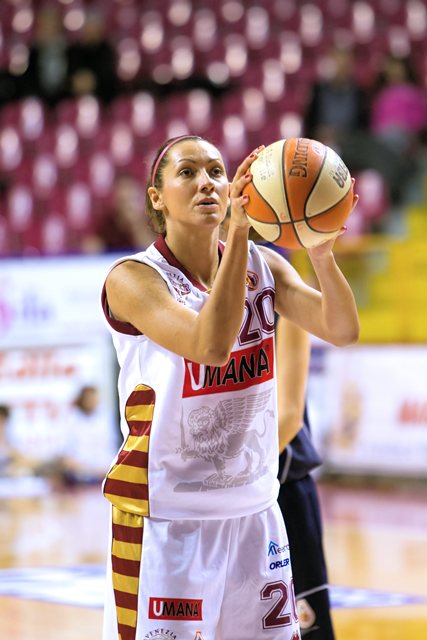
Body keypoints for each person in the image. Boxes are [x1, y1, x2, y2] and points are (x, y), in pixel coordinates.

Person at [101, 134, 359, 640]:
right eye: (188, 173)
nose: (207, 184)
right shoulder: (133, 279)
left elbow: (343, 329)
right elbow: (210, 345)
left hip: (255, 515)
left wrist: (322, 254)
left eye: (217, 172)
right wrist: (239, 234)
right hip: (168, 521)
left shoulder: (268, 267)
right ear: (157, 196)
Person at [276, 317, 336, 639]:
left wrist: (235, 473)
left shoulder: (279, 301)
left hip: (283, 484)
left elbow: (289, 415)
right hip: (230, 497)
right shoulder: (190, 301)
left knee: (310, 626)